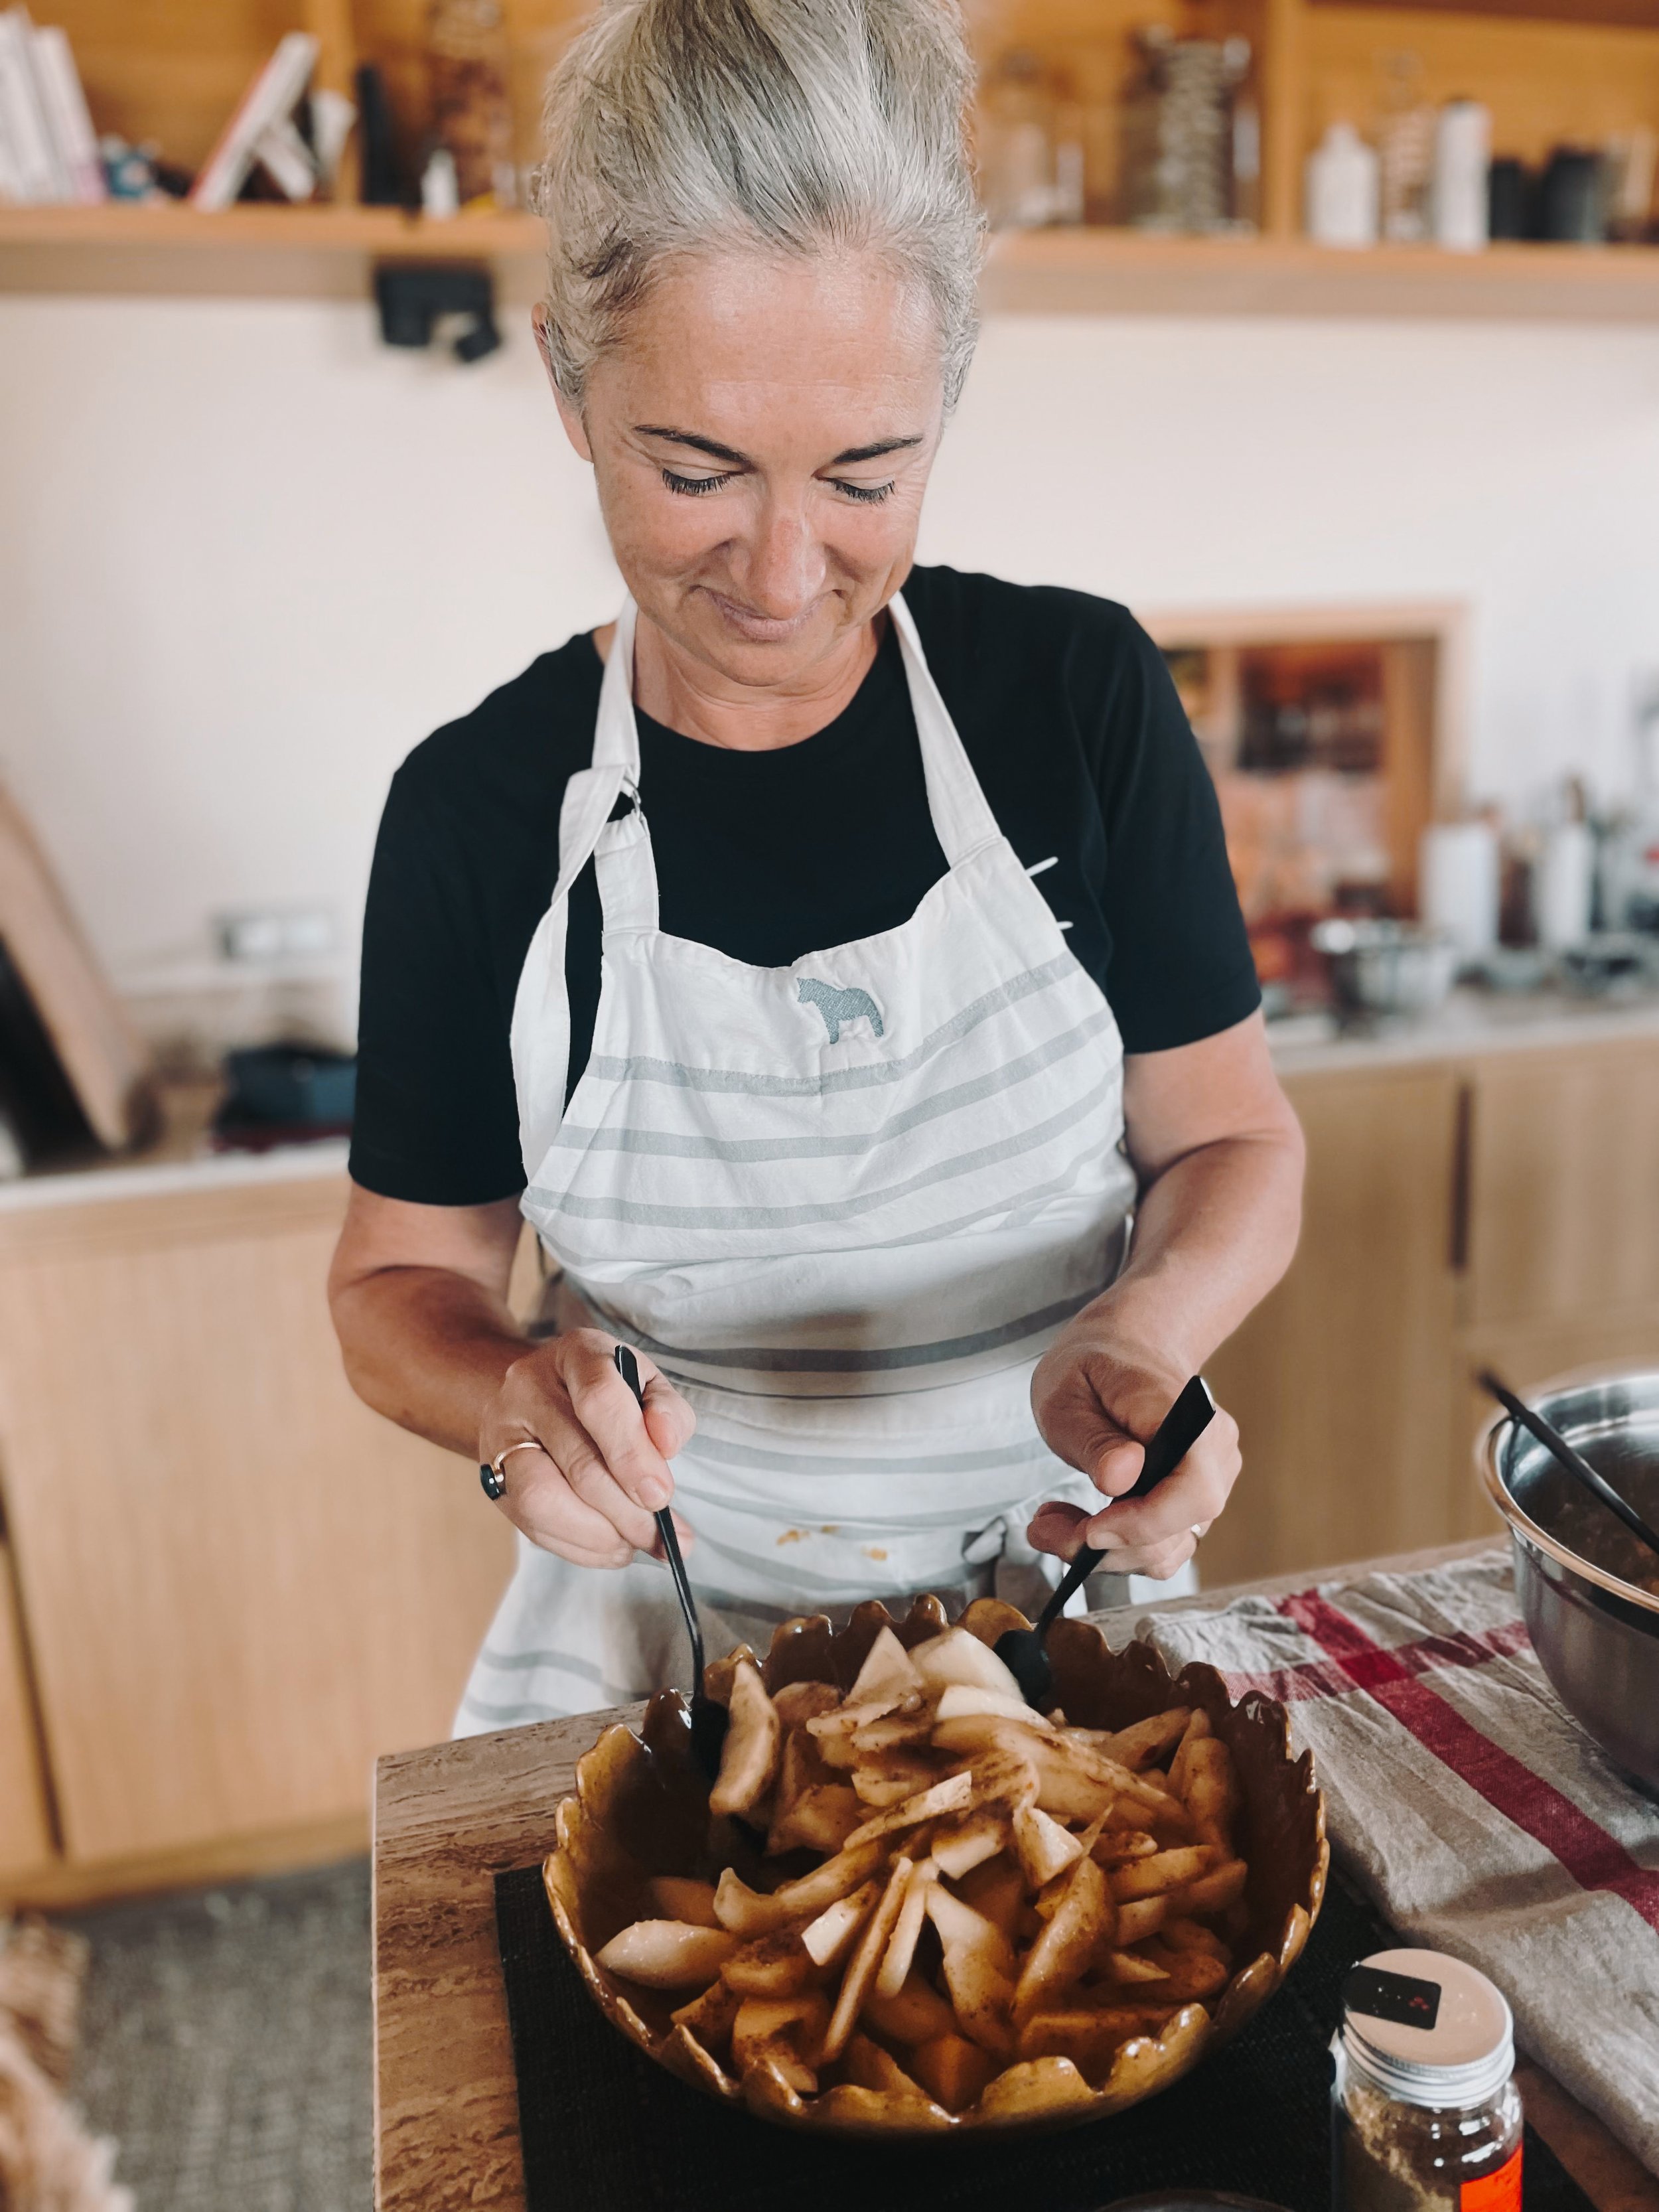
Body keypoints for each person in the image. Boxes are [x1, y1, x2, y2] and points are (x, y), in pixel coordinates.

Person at [328, 0, 1305, 1733]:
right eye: (694, 469)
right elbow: (397, 1286)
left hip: (1061, 1597)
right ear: (567, 379)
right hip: (659, 1638)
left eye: (866, 473)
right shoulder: (482, 814)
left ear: (947, 398)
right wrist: (508, 1405)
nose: (783, 572)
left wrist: (1146, 1333)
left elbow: (1230, 1137)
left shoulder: (1073, 698)